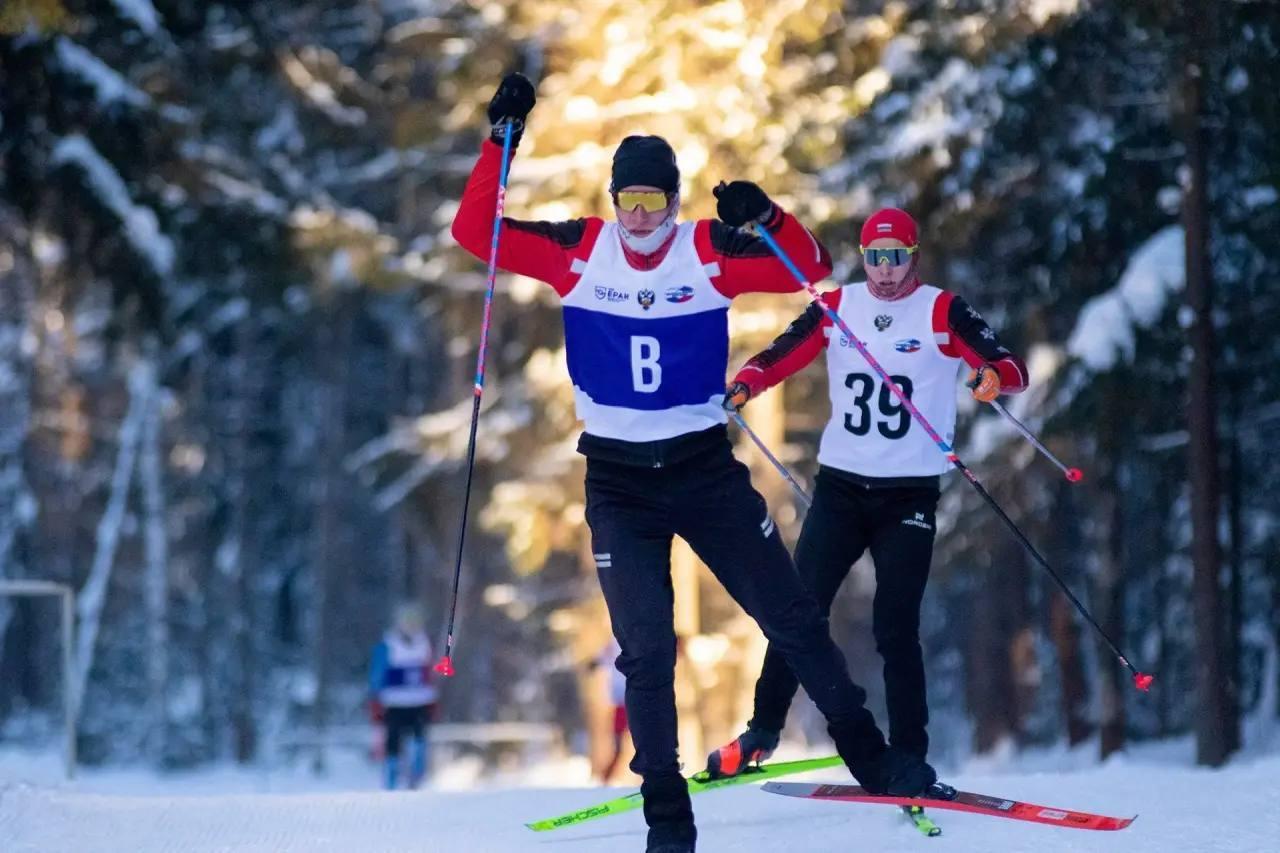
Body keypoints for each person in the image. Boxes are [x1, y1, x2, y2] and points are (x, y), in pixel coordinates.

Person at [452, 73, 939, 853]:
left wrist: (765, 214)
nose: (642, 219)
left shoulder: (706, 252)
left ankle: (870, 756)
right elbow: (476, 233)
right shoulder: (580, 250)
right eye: (630, 203)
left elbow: (805, 267)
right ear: (614, 202)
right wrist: (499, 140)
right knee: (647, 651)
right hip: (617, 481)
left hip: (703, 471)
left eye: (655, 202)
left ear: (675, 203)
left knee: (791, 616)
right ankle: (668, 821)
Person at [707, 208, 1027, 802]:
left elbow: (1008, 365)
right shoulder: (838, 305)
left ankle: (908, 755)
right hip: (842, 488)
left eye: (896, 256)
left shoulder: (940, 309)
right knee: (796, 611)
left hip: (908, 493)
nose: (884, 270)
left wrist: (990, 376)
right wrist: (747, 381)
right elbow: (784, 351)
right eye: (874, 257)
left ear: (914, 254)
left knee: (895, 627)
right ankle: (761, 731)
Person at [368, 601, 438, 790]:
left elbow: (430, 674)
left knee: (419, 743)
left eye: (414, 621)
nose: (411, 625)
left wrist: (433, 699)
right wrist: (374, 701)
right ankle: (390, 783)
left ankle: (416, 780)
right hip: (394, 705)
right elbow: (376, 676)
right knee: (393, 745)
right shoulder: (387, 645)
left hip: (420, 703)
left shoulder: (425, 644)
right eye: (407, 621)